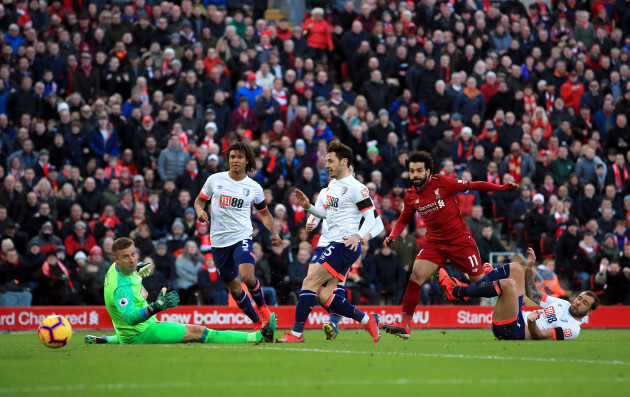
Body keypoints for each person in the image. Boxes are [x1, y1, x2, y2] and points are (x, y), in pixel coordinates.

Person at [382, 150, 519, 339]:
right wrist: (393, 234)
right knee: (415, 277)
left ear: (428, 171)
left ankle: (487, 272)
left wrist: (501, 188)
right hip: (435, 244)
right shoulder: (411, 195)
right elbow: (403, 219)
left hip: (460, 242)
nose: (415, 175)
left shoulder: (443, 183)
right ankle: (405, 324)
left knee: (481, 287)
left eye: (419, 171)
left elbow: (475, 185)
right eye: (412, 171)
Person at [278, 142, 380, 343]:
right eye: (326, 161)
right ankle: (368, 320)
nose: (326, 165)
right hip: (333, 244)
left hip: (344, 246)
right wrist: (308, 207)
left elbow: (370, 218)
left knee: (309, 282)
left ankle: (297, 334)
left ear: (344, 162)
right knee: (323, 295)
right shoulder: (333, 186)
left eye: (330, 161)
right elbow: (326, 214)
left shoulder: (357, 188)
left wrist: (358, 236)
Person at [84, 237, 275, 344]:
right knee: (199, 332)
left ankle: (106, 340)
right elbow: (130, 318)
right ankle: (258, 335)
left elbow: (130, 271)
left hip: (131, 333)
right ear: (115, 260)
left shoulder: (121, 269)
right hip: (143, 332)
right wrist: (155, 307)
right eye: (126, 257)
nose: (132, 260)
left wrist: (106, 339)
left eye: (134, 254)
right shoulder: (121, 288)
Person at [194, 143, 281, 331]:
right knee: (234, 289)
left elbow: (264, 213)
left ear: (247, 160)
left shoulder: (254, 187)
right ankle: (258, 323)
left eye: (239, 157)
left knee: (247, 276)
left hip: (242, 237)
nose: (235, 160)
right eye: (232, 156)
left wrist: (274, 232)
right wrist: (200, 211)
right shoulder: (214, 180)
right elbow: (200, 200)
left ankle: (264, 309)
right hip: (218, 243)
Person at [439, 248, 598, 341]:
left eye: (584, 303)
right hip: (515, 317)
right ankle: (480, 282)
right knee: (516, 268)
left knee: (509, 284)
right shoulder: (563, 303)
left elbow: (540, 336)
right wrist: (529, 268)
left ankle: (458, 291)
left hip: (515, 331)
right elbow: (532, 293)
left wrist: (531, 322)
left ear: (590, 311)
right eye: (579, 298)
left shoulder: (573, 329)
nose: (578, 302)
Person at [305, 163, 385, 340]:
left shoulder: (355, 191)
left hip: (343, 245)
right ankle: (365, 319)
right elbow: (319, 214)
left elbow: (377, 221)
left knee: (332, 286)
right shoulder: (325, 192)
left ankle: (332, 323)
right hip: (323, 243)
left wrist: (365, 235)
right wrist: (311, 222)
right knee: (314, 286)